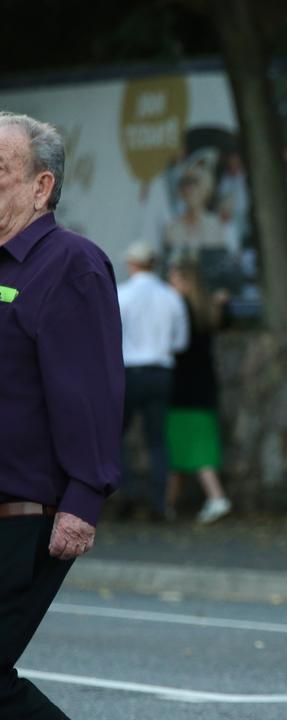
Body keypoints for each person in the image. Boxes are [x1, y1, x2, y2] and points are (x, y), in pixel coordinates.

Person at [0, 111, 125, 719]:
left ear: (40, 186)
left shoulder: (70, 264)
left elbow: (92, 391)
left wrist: (83, 498)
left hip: (24, 513)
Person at [118, 241, 189, 520]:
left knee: (116, 436)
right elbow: (180, 342)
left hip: (128, 372)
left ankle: (127, 491)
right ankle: (159, 502)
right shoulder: (171, 297)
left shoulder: (121, 294)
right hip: (161, 373)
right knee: (157, 439)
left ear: (133, 264)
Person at [166, 263, 233, 524]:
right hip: (204, 388)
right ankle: (168, 503)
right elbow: (225, 321)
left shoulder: (180, 310)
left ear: (185, 283)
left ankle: (216, 497)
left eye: (175, 281)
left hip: (182, 389)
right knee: (186, 450)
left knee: (189, 450)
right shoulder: (208, 311)